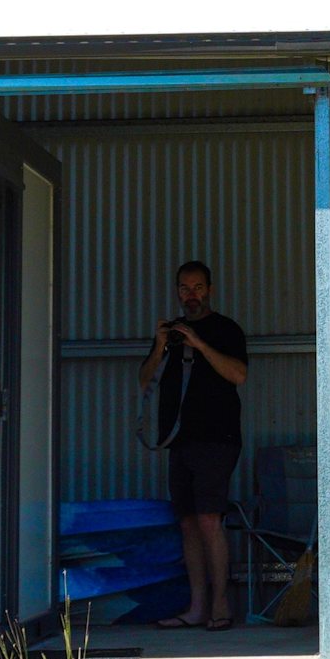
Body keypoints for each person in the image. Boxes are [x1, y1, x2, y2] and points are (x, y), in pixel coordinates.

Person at [137, 258, 250, 628]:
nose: (191, 295)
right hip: (179, 442)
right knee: (187, 522)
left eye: (198, 288)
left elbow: (238, 374)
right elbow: (144, 382)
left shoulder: (225, 329)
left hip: (217, 440)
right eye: (184, 288)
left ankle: (220, 606)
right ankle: (197, 607)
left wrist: (199, 343)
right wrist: (159, 345)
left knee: (208, 519)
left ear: (210, 290)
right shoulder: (170, 335)